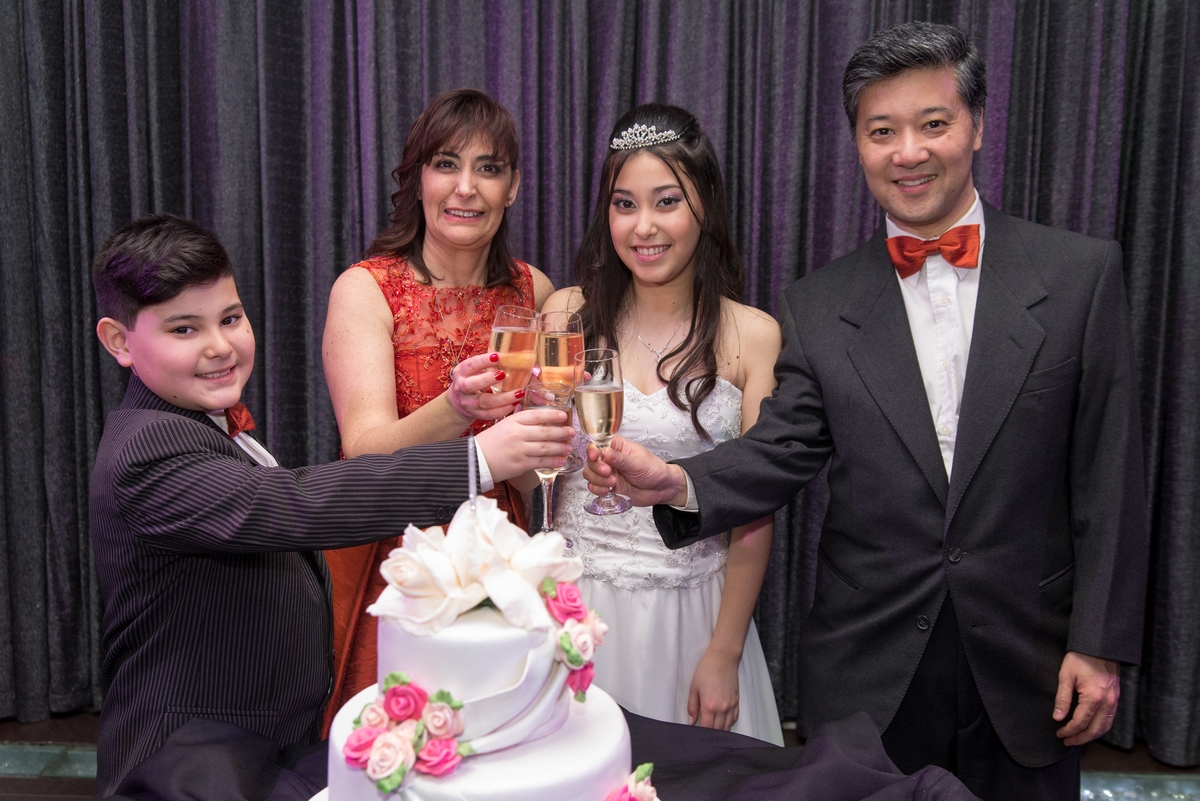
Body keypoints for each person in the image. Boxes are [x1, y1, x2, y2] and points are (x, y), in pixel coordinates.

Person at [584, 22, 1148, 801]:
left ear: (978, 127)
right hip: (872, 675)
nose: (907, 151)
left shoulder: (1080, 275)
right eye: (882, 131)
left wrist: (1099, 642)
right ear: (857, 144)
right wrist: (676, 480)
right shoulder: (819, 305)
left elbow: (1110, 477)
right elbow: (779, 449)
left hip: (1031, 665)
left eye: (933, 123)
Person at [89, 214, 572, 796]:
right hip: (185, 763)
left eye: (230, 318)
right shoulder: (147, 450)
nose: (219, 346)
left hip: (253, 744)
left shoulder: (195, 423)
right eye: (184, 329)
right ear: (119, 341)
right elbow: (294, 505)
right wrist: (478, 461)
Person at [543, 104, 784, 744]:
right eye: (624, 204)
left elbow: (756, 507)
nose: (643, 226)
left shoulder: (753, 336)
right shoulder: (566, 314)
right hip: (574, 610)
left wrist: (724, 652)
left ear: (704, 206)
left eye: (666, 201)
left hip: (694, 615)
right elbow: (532, 470)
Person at [320, 89, 557, 716]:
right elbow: (362, 450)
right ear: (419, 178)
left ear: (512, 187)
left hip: (502, 551)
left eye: (489, 168)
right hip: (397, 553)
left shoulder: (533, 291)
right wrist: (455, 408)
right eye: (446, 164)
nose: (465, 188)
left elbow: (530, 465)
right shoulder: (367, 289)